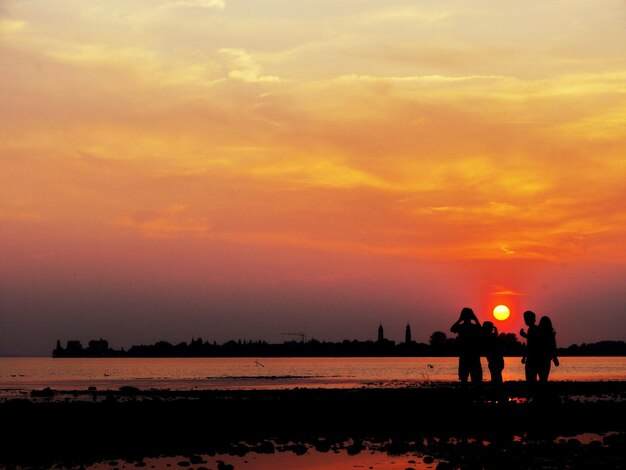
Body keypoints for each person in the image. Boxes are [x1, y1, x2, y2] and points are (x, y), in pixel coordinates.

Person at [450, 307, 482, 384]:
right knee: (475, 379)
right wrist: (476, 319)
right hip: (472, 355)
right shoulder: (473, 327)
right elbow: (481, 330)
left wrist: (460, 319)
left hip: (466, 355)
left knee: (464, 379)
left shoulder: (461, 327)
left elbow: (452, 329)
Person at [536, 316, 559, 382]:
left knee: (541, 376)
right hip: (546, 358)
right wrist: (555, 358)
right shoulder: (550, 334)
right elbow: (553, 347)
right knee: (544, 377)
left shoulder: (538, 332)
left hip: (538, 358)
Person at [481, 321, 504, 385]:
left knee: (495, 376)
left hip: (495, 360)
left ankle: (497, 391)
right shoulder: (490, 336)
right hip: (497, 360)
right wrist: (495, 329)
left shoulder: (488, 337)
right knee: (497, 376)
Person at [520, 310, 539, 383]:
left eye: (526, 318)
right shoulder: (535, 328)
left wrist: (524, 357)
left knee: (530, 379)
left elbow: (531, 344)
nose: (525, 320)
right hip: (535, 357)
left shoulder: (532, 329)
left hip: (532, 358)